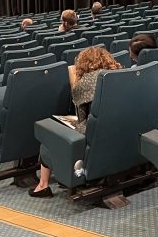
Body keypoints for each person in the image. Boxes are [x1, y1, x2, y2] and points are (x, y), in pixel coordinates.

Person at [31, 47, 122, 197]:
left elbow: (81, 117)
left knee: (48, 134)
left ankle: (43, 185)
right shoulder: (119, 75)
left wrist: (74, 80)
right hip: (118, 131)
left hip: (94, 135)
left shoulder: (84, 84)